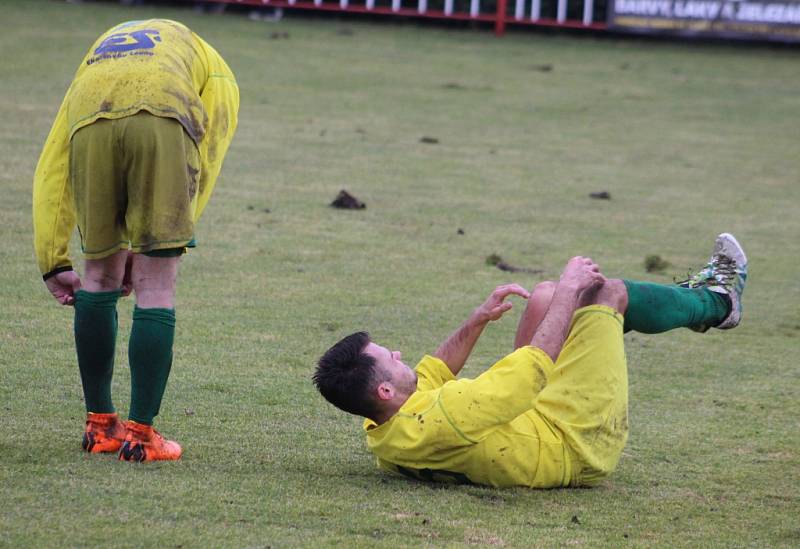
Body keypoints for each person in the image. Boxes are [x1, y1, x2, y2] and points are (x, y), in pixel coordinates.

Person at [313, 234, 747, 487]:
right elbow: (532, 369)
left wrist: (478, 319)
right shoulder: (447, 415)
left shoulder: (384, 426)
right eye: (387, 357)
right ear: (385, 388)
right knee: (604, 292)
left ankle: (623, 321)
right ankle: (718, 302)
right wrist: (570, 287)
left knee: (542, 295)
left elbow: (432, 372)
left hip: (533, 422)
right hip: (576, 440)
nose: (397, 352)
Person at [33, 19, 239, 462]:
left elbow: (53, 164)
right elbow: (206, 157)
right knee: (156, 284)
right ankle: (143, 435)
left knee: (99, 276)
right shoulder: (215, 68)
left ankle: (100, 426)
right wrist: (161, 240)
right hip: (163, 115)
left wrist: (52, 259)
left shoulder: (99, 56)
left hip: (91, 113)